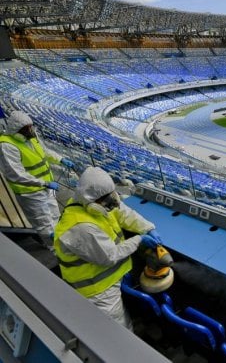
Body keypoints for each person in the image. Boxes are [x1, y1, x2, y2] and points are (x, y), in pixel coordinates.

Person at [53, 166, 162, 329]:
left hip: (113, 276)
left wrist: (148, 228)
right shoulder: (80, 227)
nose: (110, 206)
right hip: (98, 291)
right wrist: (139, 240)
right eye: (106, 204)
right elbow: (109, 256)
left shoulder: (93, 201)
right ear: (92, 201)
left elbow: (124, 213)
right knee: (117, 329)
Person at [0, 111, 75, 247]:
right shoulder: (7, 145)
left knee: (55, 217)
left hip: (47, 188)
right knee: (44, 225)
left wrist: (61, 159)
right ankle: (54, 250)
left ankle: (64, 245)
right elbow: (16, 174)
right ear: (18, 130)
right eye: (28, 128)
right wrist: (44, 183)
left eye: (31, 126)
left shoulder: (32, 137)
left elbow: (45, 152)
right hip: (30, 193)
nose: (31, 130)